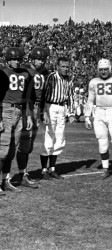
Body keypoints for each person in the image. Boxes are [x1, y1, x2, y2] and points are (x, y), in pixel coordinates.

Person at [0, 47, 38, 194]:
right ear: (8, 59)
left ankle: (6, 180)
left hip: (20, 111)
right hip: (5, 109)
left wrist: (28, 115)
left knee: (11, 149)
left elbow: (28, 97)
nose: (16, 61)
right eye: (14, 59)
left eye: (18, 59)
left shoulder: (25, 74)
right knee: (3, 150)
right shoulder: (3, 73)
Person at [84, 58, 112, 180]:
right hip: (99, 112)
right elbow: (90, 100)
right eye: (101, 70)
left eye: (105, 69)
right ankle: (105, 169)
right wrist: (87, 117)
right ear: (98, 70)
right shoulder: (93, 82)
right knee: (102, 142)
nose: (103, 72)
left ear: (110, 69)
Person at [18, 46, 49, 181]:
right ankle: (21, 173)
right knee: (23, 141)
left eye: (43, 59)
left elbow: (44, 94)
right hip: (27, 106)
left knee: (30, 142)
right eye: (38, 59)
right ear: (32, 59)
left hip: (38, 108)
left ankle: (23, 172)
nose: (41, 62)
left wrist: (43, 110)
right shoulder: (25, 70)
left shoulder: (45, 72)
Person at [40, 56, 73, 180]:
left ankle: (52, 169)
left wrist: (70, 113)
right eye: (63, 67)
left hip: (61, 108)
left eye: (67, 67)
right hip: (50, 107)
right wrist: (43, 111)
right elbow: (43, 94)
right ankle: (44, 170)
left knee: (59, 139)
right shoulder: (51, 77)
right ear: (57, 67)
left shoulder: (68, 79)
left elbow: (70, 96)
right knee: (48, 138)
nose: (65, 69)